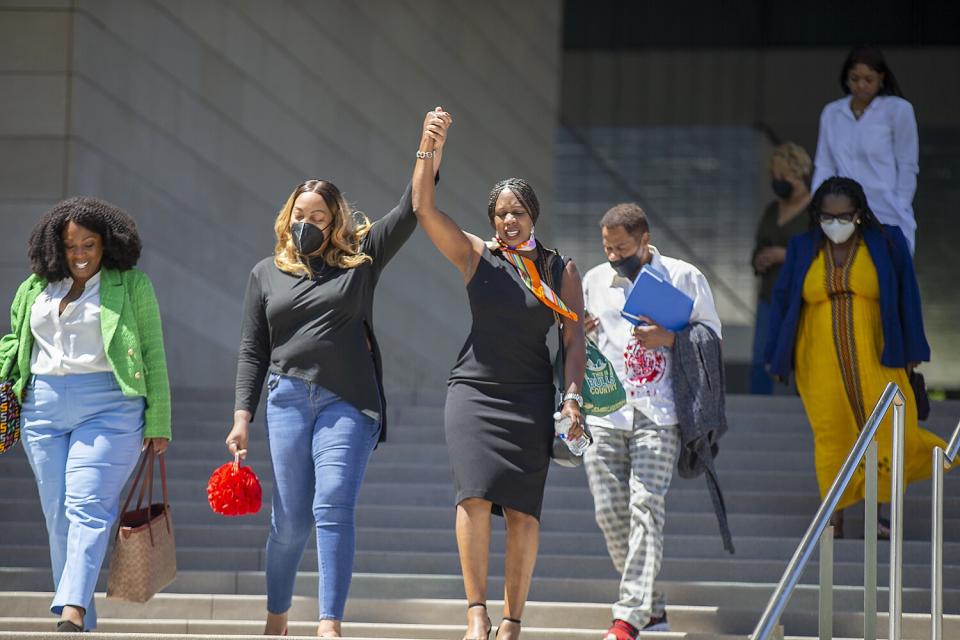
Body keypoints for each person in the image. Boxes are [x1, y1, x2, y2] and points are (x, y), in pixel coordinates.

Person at [225, 111, 450, 637]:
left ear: (336, 220)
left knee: (332, 505)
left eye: (320, 215)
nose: (309, 222)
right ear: (288, 215)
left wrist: (427, 148)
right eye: (301, 212)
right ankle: (277, 614)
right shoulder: (265, 273)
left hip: (347, 401)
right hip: (283, 401)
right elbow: (252, 349)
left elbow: (412, 210)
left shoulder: (361, 259)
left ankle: (330, 623)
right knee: (291, 523)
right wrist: (241, 417)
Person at [411, 109, 586, 640]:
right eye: (500, 214)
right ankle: (476, 613)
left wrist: (573, 399)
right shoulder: (475, 255)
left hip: (532, 397)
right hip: (474, 393)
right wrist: (428, 146)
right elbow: (423, 208)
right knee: (473, 497)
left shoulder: (561, 269)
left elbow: (574, 340)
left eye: (517, 212)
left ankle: (511, 621)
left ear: (533, 214)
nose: (508, 221)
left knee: (522, 513)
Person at [0, 197, 171, 632]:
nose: (79, 254)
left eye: (89, 245)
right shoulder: (34, 287)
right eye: (71, 245)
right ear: (56, 246)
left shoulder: (131, 286)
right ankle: (81, 623)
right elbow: (15, 343)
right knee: (58, 515)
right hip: (43, 408)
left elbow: (152, 353)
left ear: (106, 245)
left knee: (87, 505)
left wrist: (159, 422)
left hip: (110, 405)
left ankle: (72, 609)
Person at [765, 176, 944, 538]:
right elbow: (783, 301)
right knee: (832, 434)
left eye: (844, 216)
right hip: (818, 358)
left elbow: (907, 295)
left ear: (859, 213)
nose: (836, 223)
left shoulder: (887, 241)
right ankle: (835, 516)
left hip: (878, 352)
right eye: (828, 216)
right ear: (817, 215)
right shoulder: (803, 246)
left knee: (885, 429)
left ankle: (875, 513)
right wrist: (775, 356)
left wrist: (912, 352)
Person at [581, 203, 722, 639]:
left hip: (660, 412)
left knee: (646, 506)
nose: (612, 256)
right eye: (607, 247)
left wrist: (670, 337)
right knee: (609, 513)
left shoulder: (683, 276)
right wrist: (580, 332)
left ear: (644, 240)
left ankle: (628, 617)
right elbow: (584, 341)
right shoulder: (593, 281)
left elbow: (712, 338)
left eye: (621, 247)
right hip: (606, 411)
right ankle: (653, 607)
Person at [812, 45, 919, 253]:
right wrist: (819, 206)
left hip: (886, 211)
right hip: (841, 214)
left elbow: (908, 165)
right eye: (854, 78)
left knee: (886, 275)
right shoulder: (832, 113)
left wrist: (901, 204)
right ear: (846, 78)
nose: (861, 85)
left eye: (868, 79)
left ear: (881, 79)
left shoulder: (898, 110)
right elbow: (824, 164)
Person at [750, 142, 813, 394]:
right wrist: (760, 259)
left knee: (802, 358)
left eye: (783, 176)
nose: (778, 182)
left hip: (802, 297)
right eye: (774, 177)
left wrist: (785, 255)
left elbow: (823, 255)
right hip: (769, 295)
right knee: (760, 359)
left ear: (799, 174)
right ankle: (756, 414)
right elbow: (758, 246)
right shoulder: (771, 210)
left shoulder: (816, 210)